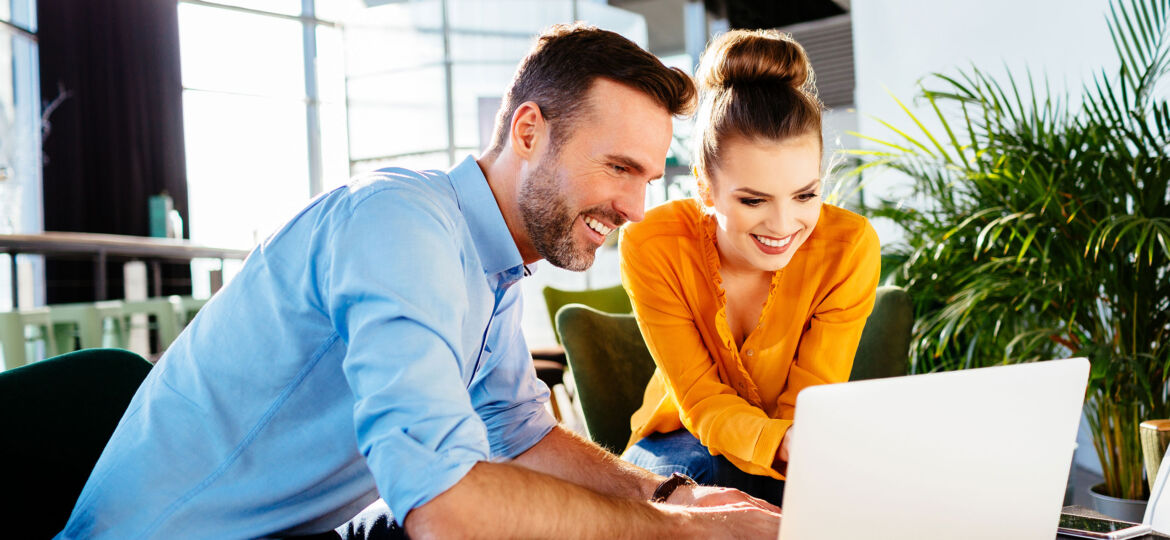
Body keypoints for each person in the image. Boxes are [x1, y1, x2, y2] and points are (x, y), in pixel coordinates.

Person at [56, 24, 781, 539]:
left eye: (648, 178)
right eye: (619, 168)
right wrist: (677, 531)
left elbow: (518, 430)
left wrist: (675, 493)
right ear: (529, 132)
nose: (635, 207)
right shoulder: (402, 225)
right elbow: (448, 511)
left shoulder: (490, 258)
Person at [619, 29, 881, 506]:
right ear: (704, 188)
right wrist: (781, 443)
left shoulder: (848, 247)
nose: (783, 225)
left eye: (805, 195)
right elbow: (700, 400)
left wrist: (792, 444)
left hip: (793, 443)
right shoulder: (651, 243)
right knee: (698, 483)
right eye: (753, 200)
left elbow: (811, 400)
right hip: (680, 439)